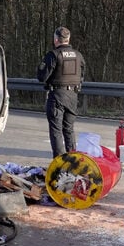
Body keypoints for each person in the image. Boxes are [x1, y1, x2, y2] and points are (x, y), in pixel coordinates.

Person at [37, 26, 85, 158]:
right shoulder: (78, 55)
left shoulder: (54, 55)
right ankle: (73, 160)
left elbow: (42, 77)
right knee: (69, 130)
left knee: (56, 131)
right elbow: (81, 76)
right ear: (68, 39)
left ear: (56, 39)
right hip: (73, 96)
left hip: (57, 96)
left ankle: (59, 162)